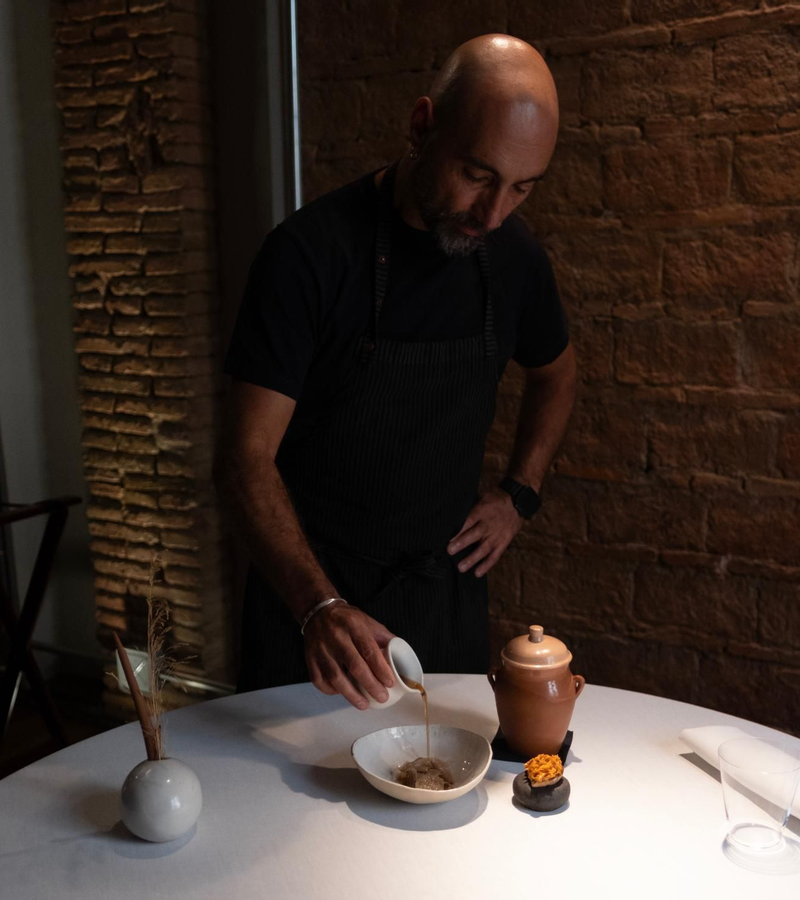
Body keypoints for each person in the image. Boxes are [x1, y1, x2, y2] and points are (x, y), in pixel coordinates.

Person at [216, 34, 576, 709]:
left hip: (443, 601)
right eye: (478, 175)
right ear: (422, 125)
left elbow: (556, 374)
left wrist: (519, 494)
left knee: (442, 796)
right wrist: (316, 603)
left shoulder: (514, 258)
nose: (493, 214)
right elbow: (243, 461)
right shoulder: (309, 257)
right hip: (314, 611)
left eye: (521, 188)